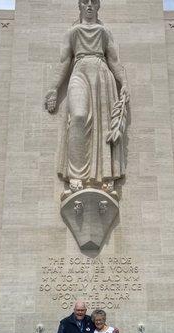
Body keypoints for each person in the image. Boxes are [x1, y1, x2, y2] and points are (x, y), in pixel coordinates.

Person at [45, 0, 130, 199]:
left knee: (105, 125)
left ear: (98, 6)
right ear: (80, 6)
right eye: (85, 2)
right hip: (79, 71)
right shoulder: (72, 32)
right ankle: (76, 175)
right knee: (78, 117)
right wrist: (54, 89)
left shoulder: (104, 32)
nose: (89, 5)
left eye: (94, 2)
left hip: (101, 75)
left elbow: (114, 61)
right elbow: (65, 61)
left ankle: (105, 177)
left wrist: (124, 83)